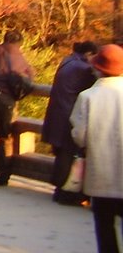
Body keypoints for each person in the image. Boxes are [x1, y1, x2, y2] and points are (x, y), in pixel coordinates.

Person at [71, 44, 123, 253]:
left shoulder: (88, 97)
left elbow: (79, 137)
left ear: (98, 68)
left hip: (101, 173)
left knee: (104, 225)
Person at [43, 40, 97, 205]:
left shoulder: (67, 61)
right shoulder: (84, 69)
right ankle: (67, 194)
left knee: (62, 155)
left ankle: (60, 191)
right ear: (89, 54)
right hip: (69, 115)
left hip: (57, 114)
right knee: (69, 156)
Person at [0, 29, 34, 187]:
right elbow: (29, 76)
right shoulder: (21, 58)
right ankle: (4, 174)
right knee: (6, 137)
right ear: (20, 43)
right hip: (7, 99)